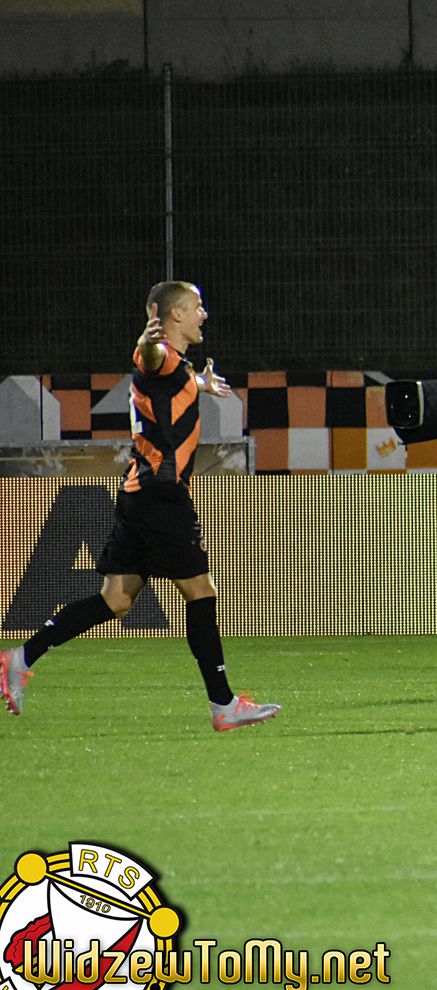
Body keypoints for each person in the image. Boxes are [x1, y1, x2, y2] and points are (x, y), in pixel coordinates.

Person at [0, 282, 280, 731]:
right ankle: (223, 704)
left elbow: (169, 377)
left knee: (115, 600)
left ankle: (20, 658)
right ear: (174, 315)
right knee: (201, 592)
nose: (204, 314)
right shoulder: (159, 355)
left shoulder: (178, 368)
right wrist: (146, 341)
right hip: (160, 497)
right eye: (196, 307)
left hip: (139, 496)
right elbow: (150, 358)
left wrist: (201, 383)